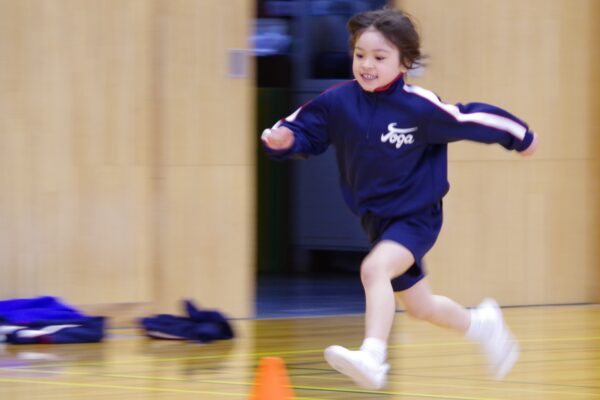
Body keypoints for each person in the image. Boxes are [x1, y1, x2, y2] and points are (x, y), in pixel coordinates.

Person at [261, 7, 538, 390]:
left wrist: (520, 135)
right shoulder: (337, 102)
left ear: (405, 62)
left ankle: (374, 357)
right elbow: (302, 128)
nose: (367, 65)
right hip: (377, 221)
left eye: (379, 57)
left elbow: (469, 119)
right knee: (421, 307)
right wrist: (283, 139)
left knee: (374, 270)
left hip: (416, 217)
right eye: (360, 55)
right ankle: (483, 325)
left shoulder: (419, 107)